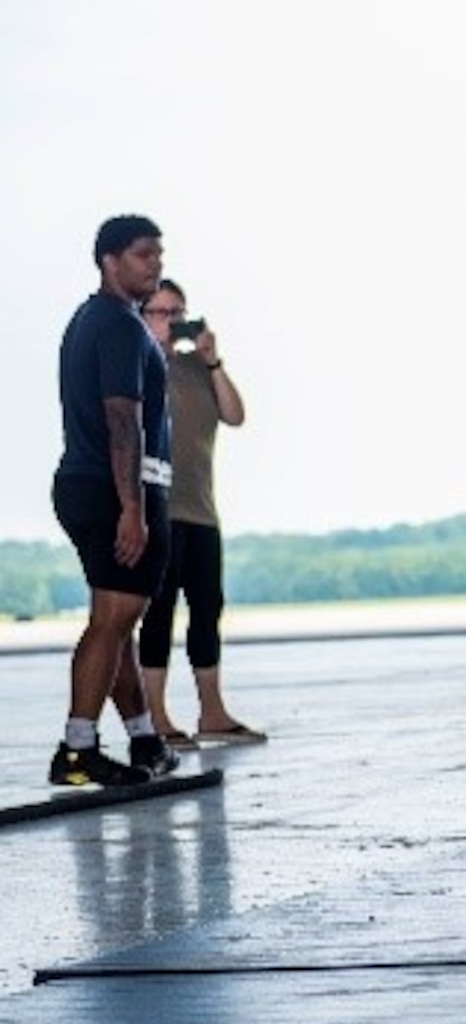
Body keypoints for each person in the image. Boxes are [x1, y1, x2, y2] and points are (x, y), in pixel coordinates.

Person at [49, 215, 182, 786]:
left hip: (87, 482)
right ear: (110, 260)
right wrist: (132, 506)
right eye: (143, 254)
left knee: (117, 618)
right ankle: (77, 750)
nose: (155, 264)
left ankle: (145, 741)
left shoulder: (91, 318)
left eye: (159, 254)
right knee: (113, 620)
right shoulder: (122, 326)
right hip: (113, 487)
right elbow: (122, 418)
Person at [134, 278, 262, 745]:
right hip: (157, 509)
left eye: (178, 312)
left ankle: (213, 712)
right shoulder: (137, 364)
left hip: (202, 510)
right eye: (161, 313)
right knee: (159, 612)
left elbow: (235, 414)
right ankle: (157, 718)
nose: (172, 321)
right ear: (142, 317)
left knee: (207, 609)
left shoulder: (196, 368)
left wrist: (213, 360)